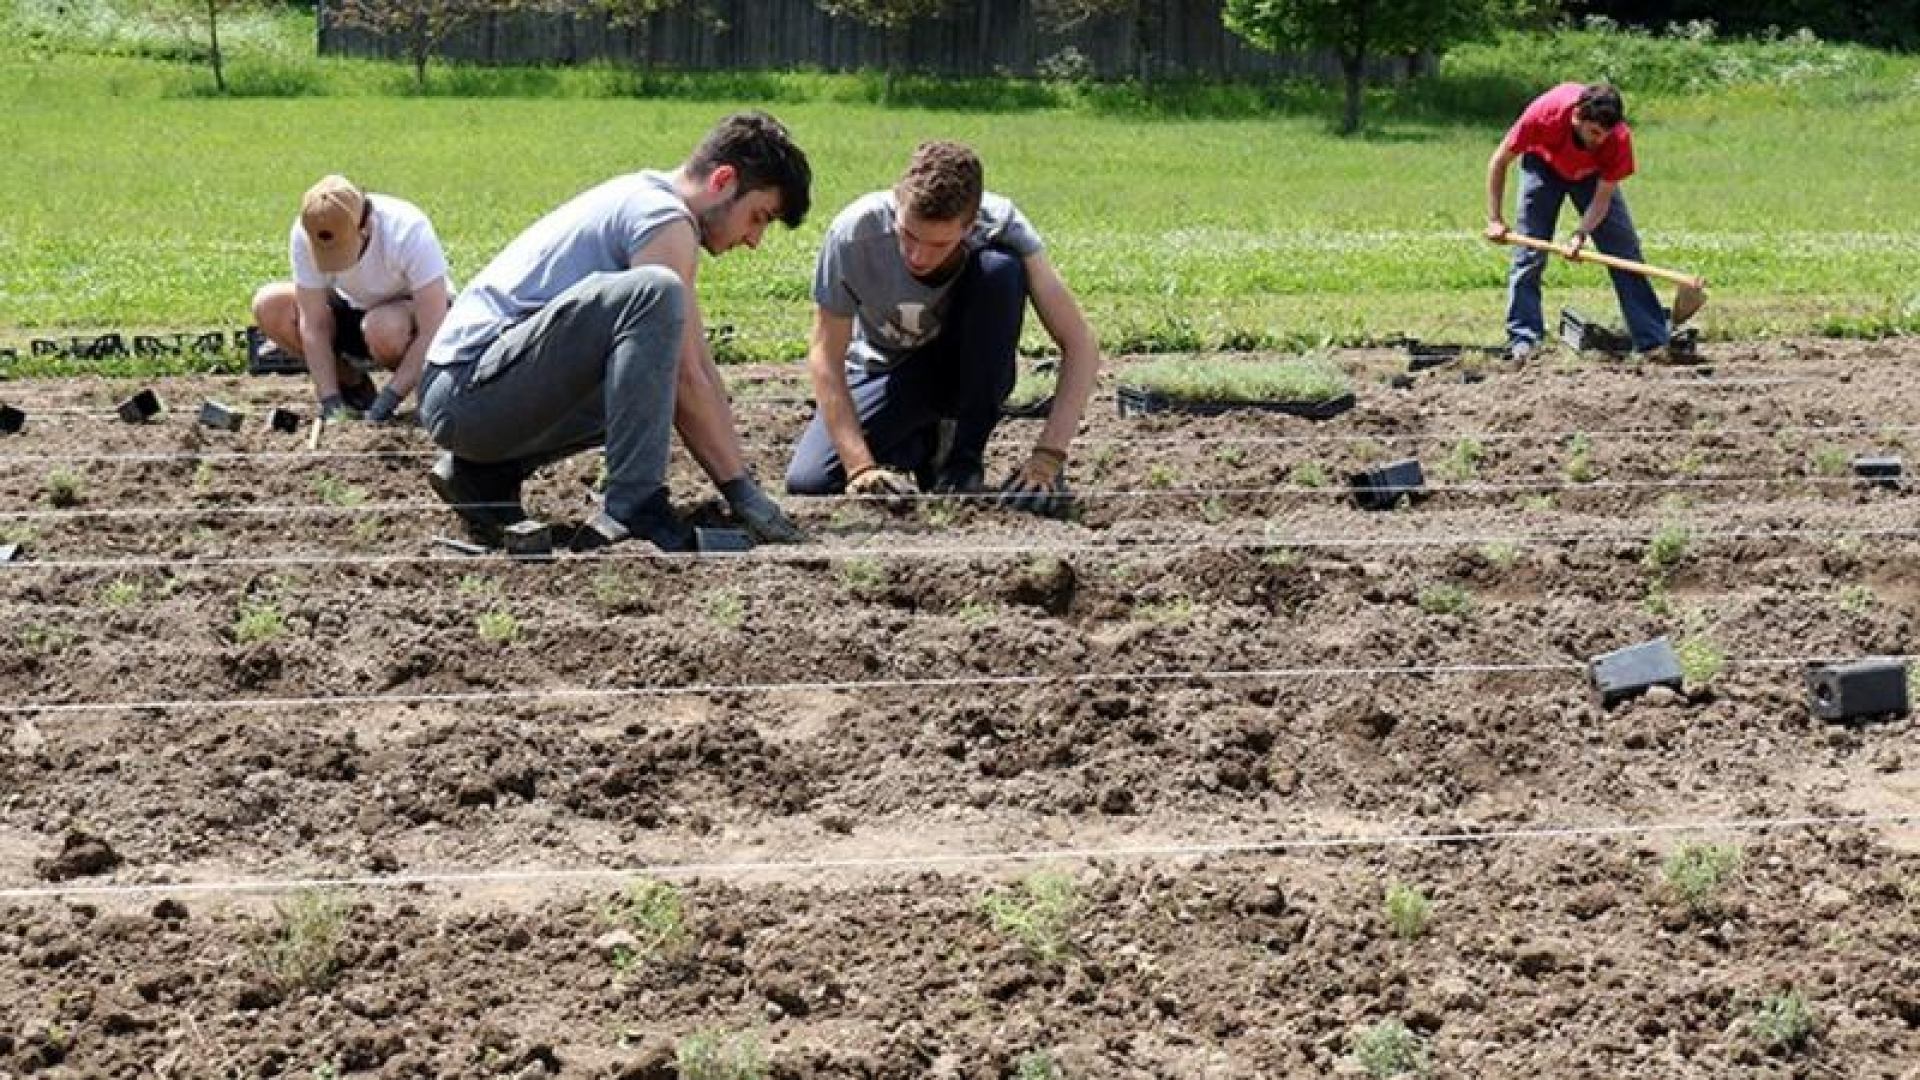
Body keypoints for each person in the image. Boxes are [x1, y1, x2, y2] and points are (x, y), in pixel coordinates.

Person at [417, 111, 810, 552]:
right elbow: (687, 377)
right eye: (758, 216)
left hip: (474, 395)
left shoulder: (654, 208)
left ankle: (482, 476)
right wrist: (741, 493)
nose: (754, 239)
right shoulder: (664, 219)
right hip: (467, 391)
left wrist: (745, 490)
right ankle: (636, 507)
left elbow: (695, 366)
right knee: (655, 293)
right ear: (722, 180)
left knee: (646, 359)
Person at [785, 140, 1100, 516]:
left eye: (938, 244)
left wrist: (1049, 457)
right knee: (811, 481)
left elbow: (1080, 344)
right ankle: (925, 443)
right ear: (897, 206)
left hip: (966, 367)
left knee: (1001, 271)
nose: (918, 256)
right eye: (908, 235)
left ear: (969, 226)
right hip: (885, 370)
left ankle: (964, 458)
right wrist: (859, 466)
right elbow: (825, 354)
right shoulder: (853, 233)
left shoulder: (1001, 224)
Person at [1485, 82, 1670, 363]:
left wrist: (1580, 234)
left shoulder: (1617, 139)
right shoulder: (1542, 116)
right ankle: (1524, 340)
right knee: (1530, 256)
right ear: (1576, 118)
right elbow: (1499, 161)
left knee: (1624, 253)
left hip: (1591, 177)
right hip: (1543, 166)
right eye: (1594, 132)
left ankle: (1652, 341)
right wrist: (1496, 219)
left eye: (1606, 134)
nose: (1600, 140)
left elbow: (1602, 198)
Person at [251, 175, 452, 424]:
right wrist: (329, 399)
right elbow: (313, 322)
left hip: (408, 321)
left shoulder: (408, 230)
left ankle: (419, 387)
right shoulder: (309, 229)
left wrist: (390, 399)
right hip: (351, 308)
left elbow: (434, 327)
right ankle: (354, 388)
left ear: (364, 226)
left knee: (382, 327)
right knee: (270, 305)